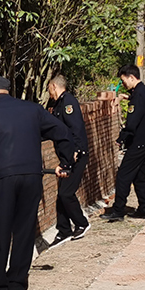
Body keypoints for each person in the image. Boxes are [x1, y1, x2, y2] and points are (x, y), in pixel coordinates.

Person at [0, 74, 77, 290]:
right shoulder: (33, 110)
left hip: (3, 177)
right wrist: (66, 162)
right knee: (24, 229)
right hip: (32, 176)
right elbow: (63, 133)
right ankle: (18, 283)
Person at [104, 64, 145, 222]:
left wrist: (122, 138)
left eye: (124, 81)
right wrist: (123, 97)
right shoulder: (144, 92)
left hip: (138, 142)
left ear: (132, 77)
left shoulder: (138, 95)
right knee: (139, 177)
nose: (123, 84)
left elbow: (132, 121)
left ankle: (118, 211)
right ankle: (143, 209)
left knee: (123, 176)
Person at [46, 74, 90, 244]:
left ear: (54, 86)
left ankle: (81, 223)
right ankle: (63, 229)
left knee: (66, 193)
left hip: (75, 155)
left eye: (49, 88)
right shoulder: (58, 104)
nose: (49, 92)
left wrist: (77, 150)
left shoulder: (68, 102)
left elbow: (76, 126)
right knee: (61, 194)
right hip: (66, 156)